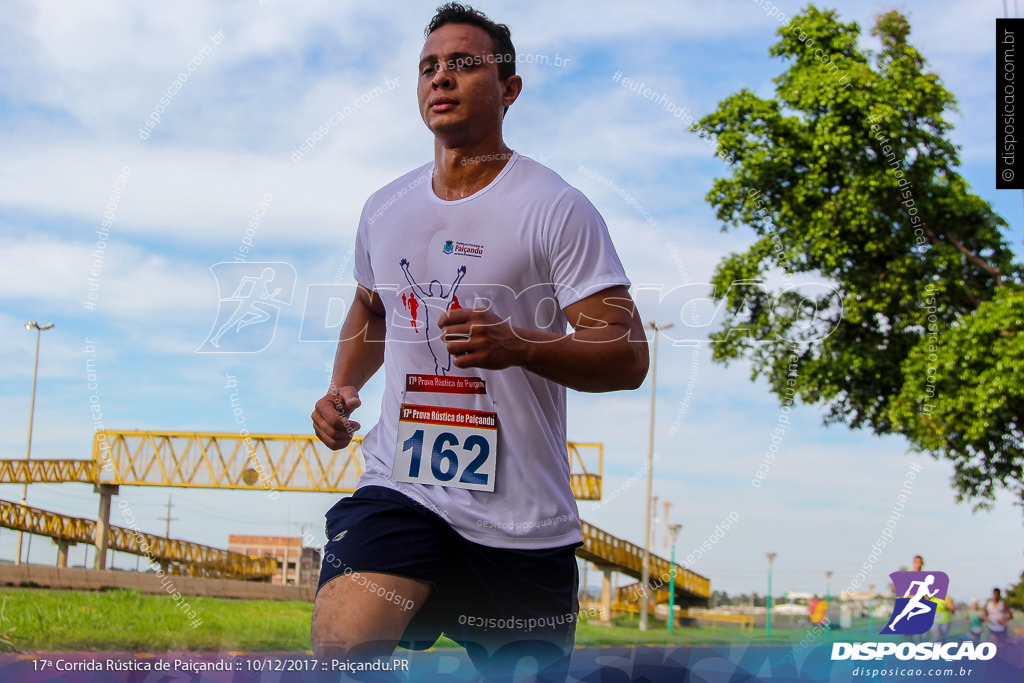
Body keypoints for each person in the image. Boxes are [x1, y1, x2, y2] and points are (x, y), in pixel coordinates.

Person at [309, 3, 648, 679]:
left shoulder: (555, 207)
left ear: (510, 89)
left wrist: (521, 345)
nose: (442, 78)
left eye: (465, 64)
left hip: (522, 523)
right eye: (429, 67)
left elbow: (628, 354)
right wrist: (342, 385)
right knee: (345, 646)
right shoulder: (385, 207)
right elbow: (374, 309)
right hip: (404, 490)